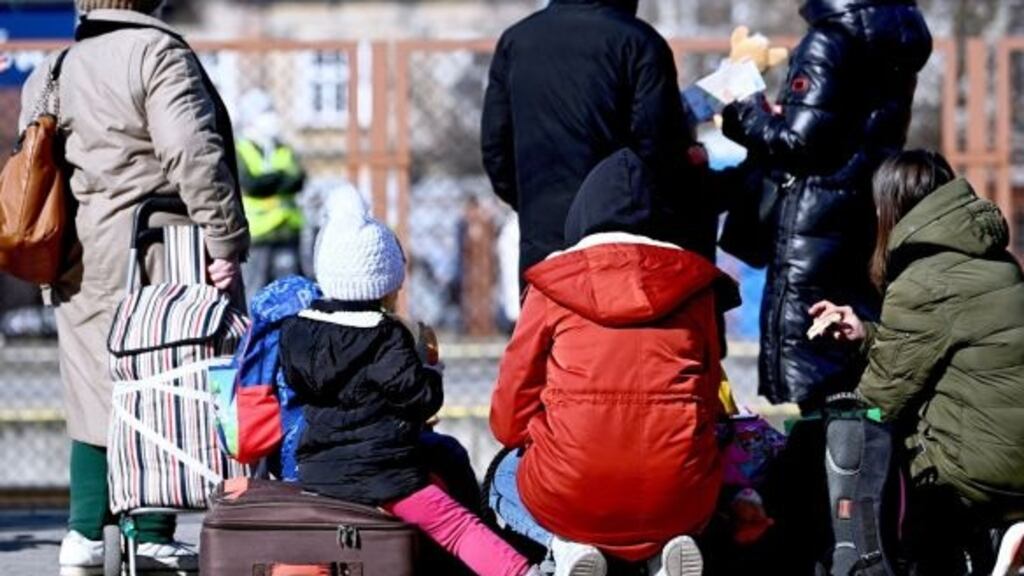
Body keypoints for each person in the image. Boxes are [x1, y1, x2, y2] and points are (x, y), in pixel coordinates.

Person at [18, 1, 250, 574]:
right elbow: (192, 153)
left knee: (94, 384)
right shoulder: (157, 53)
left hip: (80, 250)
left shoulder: (55, 68)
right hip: (159, 248)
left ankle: (84, 532)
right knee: (165, 384)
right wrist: (225, 239)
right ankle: (149, 530)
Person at [278, 187, 539, 576]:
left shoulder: (298, 331)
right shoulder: (386, 336)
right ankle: (521, 573)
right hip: (388, 475)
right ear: (385, 285)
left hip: (320, 471)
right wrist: (431, 375)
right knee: (456, 528)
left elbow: (298, 385)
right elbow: (420, 399)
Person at [489, 149, 727, 576]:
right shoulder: (697, 288)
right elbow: (708, 400)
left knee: (501, 478)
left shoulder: (552, 286)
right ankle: (663, 553)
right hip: (679, 494)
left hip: (569, 494)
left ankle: (564, 547)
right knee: (691, 478)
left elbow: (507, 420)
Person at [810, 150, 1024, 574]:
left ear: (890, 207)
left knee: (847, 442)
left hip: (978, 471)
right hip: (1012, 451)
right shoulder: (997, 263)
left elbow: (880, 399)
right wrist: (866, 333)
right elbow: (945, 346)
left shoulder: (923, 280)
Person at [720, 0, 932, 410]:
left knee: (816, 372)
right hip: (863, 217)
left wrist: (743, 106)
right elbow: (842, 129)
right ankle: (860, 466)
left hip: (812, 226)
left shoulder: (830, 39)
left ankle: (829, 470)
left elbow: (799, 142)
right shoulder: (897, 38)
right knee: (851, 369)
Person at [481, 0, 712, 280]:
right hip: (623, 240)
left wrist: (533, 204)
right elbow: (659, 148)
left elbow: (496, 147)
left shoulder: (515, 42)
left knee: (550, 320)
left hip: (542, 238)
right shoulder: (640, 42)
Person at [236, 89, 306, 300]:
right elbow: (252, 184)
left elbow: (298, 179)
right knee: (254, 293)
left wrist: (271, 179)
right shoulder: (241, 149)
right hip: (256, 237)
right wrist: (281, 178)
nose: (272, 118)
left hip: (287, 232)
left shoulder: (282, 148)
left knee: (291, 295)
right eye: (265, 112)